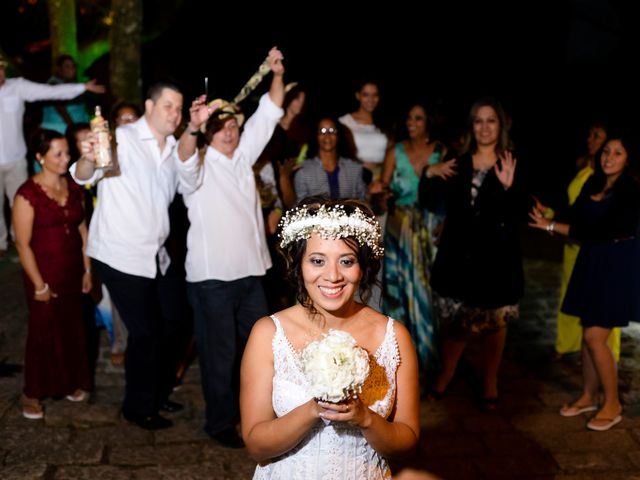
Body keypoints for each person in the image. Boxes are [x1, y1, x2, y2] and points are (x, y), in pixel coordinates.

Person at [240, 198, 419, 479]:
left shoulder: (394, 337)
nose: (333, 276)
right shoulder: (268, 334)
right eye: (317, 260)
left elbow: (405, 440)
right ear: (299, 264)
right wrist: (314, 409)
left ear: (363, 266)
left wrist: (365, 419)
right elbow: (256, 446)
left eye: (346, 261)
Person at [175, 47, 285, 448]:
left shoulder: (244, 155)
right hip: (212, 282)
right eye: (219, 125)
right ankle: (220, 423)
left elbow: (271, 110)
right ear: (207, 130)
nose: (228, 130)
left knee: (261, 352)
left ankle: (258, 415)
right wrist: (191, 127)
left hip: (253, 276)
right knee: (219, 359)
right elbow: (182, 159)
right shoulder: (197, 161)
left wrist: (275, 72)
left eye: (232, 124)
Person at [71, 81, 185, 430]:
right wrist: (89, 158)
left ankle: (157, 389)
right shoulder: (122, 138)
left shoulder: (174, 147)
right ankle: (138, 407)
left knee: (175, 321)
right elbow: (83, 175)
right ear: (149, 107)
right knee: (145, 331)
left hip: (155, 254)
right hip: (120, 253)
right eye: (168, 106)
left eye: (179, 108)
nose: (175, 114)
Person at [529, 132, 640, 431]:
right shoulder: (594, 182)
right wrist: (549, 215)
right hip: (591, 261)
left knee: (595, 336)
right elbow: (575, 216)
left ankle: (613, 403)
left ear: (628, 159)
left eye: (617, 152)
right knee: (585, 332)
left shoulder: (630, 189)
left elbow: (600, 230)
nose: (609, 157)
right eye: (606, 151)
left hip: (615, 266)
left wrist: (552, 226)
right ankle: (590, 395)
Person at [420, 97, 523, 409]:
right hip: (459, 256)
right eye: (479, 121)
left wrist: (508, 189)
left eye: (491, 120)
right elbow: (429, 201)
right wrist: (430, 173)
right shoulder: (458, 160)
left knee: (494, 323)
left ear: (500, 126)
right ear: (471, 127)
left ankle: (490, 381)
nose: (485, 127)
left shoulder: (512, 161)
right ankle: (446, 375)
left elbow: (520, 214)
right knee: (458, 322)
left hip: (496, 259)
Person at [12, 129, 92, 419]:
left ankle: (70, 382)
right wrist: (38, 284)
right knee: (43, 333)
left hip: (71, 270)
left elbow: (83, 229)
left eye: (67, 152)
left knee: (72, 329)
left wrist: (87, 268)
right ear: (39, 157)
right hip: (44, 273)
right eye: (57, 154)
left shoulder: (74, 188)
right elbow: (22, 244)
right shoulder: (27, 194)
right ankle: (31, 392)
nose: (65, 159)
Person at [0, 52, 104, 257]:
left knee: (20, 204)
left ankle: (21, 244)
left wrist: (82, 87)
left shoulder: (17, 86)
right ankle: (1, 245)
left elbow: (49, 92)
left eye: (1, 67)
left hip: (17, 159)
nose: (0, 72)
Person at [537, 122, 621, 361]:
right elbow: (574, 210)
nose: (590, 140)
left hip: (596, 247)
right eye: (590, 136)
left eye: (597, 136)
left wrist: (553, 225)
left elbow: (602, 223)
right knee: (573, 299)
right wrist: (551, 215)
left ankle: (607, 355)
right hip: (574, 243)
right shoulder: (585, 170)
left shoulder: (614, 182)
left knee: (602, 311)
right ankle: (568, 346)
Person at [379, 102, 447, 375]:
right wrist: (382, 195)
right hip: (400, 227)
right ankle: (401, 366)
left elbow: (451, 192)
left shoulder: (441, 151)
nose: (412, 123)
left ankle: (429, 362)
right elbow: (383, 186)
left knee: (426, 292)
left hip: (429, 228)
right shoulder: (395, 150)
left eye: (418, 118)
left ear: (428, 122)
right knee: (398, 294)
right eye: (409, 117)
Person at [294, 117, 366, 203]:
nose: (327, 136)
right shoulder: (304, 171)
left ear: (338, 135)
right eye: (322, 131)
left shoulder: (354, 169)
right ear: (316, 136)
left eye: (331, 131)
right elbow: (299, 205)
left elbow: (363, 200)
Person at [339, 79, 389, 181]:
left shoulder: (386, 123)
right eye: (366, 95)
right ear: (358, 96)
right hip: (354, 176)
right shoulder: (344, 122)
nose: (371, 99)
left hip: (381, 178)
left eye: (375, 95)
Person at [40, 55, 91, 135]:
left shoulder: (75, 84)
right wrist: (73, 129)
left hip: (77, 128)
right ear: (59, 69)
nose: (71, 69)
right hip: (60, 130)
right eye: (67, 66)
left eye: (73, 66)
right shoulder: (53, 84)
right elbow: (60, 107)